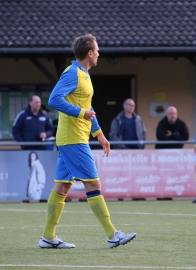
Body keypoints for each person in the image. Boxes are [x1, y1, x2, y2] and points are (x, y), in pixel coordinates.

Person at [39, 34, 136, 249]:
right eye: (98, 50)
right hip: (73, 140)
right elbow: (54, 99)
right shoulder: (73, 72)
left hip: (74, 138)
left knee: (62, 188)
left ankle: (47, 237)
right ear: (90, 53)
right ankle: (112, 234)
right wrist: (80, 112)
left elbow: (89, 110)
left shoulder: (84, 74)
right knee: (93, 184)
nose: (100, 53)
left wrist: (99, 134)